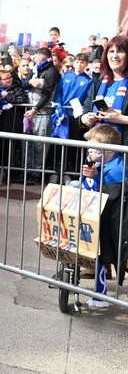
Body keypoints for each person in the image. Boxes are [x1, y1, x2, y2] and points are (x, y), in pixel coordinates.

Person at [74, 124, 127, 308]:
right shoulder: (99, 164)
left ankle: (100, 295)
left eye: (93, 148)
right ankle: (99, 292)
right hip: (99, 216)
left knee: (101, 255)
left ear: (105, 150)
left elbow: (110, 195)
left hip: (111, 220)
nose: (89, 152)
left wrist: (95, 177)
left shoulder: (117, 169)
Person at [81, 35, 128, 145]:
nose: (115, 56)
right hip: (97, 151)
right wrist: (86, 119)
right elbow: (85, 110)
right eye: (111, 51)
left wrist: (121, 118)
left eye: (120, 51)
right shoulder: (98, 82)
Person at [23, 47, 61, 177]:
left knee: (40, 145)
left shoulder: (51, 71)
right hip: (30, 113)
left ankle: (37, 173)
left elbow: (47, 93)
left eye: (36, 56)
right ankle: (28, 171)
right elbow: (24, 84)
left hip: (43, 113)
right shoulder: (35, 69)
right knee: (29, 144)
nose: (34, 58)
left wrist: (35, 109)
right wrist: (31, 82)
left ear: (42, 57)